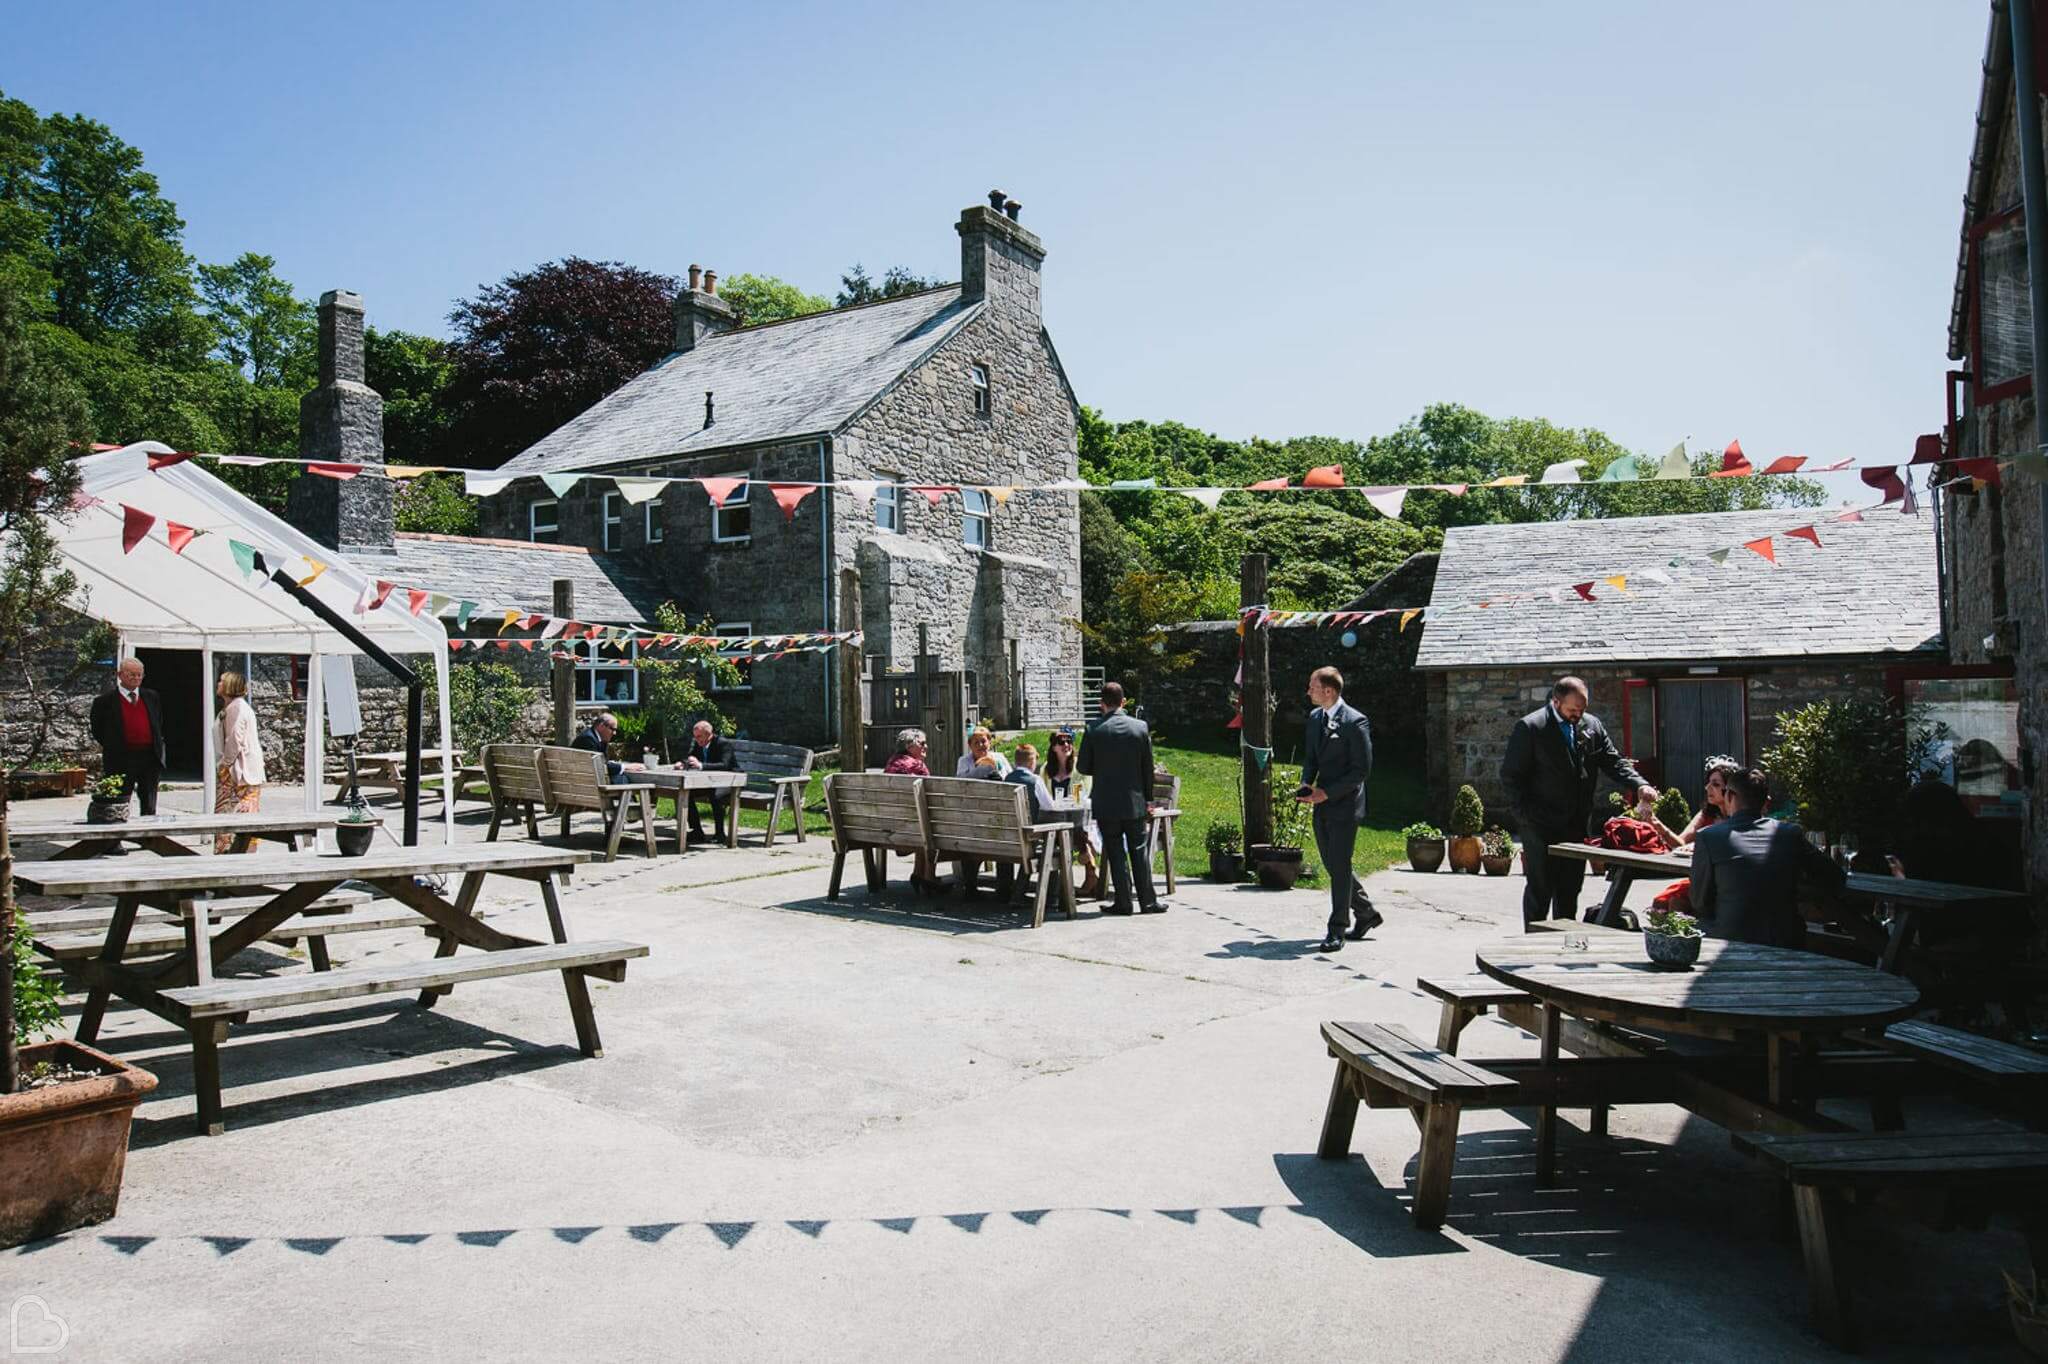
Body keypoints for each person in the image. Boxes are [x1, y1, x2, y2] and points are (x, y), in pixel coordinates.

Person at [1501, 676, 1656, 929]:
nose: (1578, 715)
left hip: (1575, 823)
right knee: (1540, 888)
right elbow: (1511, 777)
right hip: (1539, 824)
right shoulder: (1531, 727)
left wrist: (1640, 784)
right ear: (1556, 701)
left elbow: (1613, 761)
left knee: (1570, 888)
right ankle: (1533, 946)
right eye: (1573, 710)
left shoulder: (1591, 725)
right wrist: (1525, 816)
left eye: (1582, 709)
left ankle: (1565, 941)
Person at [1689, 765, 1843, 946]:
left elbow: (1699, 902)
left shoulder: (1708, 837)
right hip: (1785, 939)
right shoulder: (1789, 833)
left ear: (1729, 796)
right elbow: (1835, 876)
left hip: (1730, 938)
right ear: (1765, 802)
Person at [1298, 666, 1380, 953]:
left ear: (1328, 691)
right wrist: (1306, 784)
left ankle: (1337, 929)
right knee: (1334, 865)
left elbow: (1361, 771)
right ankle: (1367, 912)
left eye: (1312, 686)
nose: (1308, 691)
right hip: (1321, 802)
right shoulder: (1314, 718)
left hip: (1345, 804)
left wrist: (1327, 793)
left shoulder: (1355, 722)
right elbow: (1311, 758)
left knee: (1340, 864)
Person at [1077, 680, 1165, 916]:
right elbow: (1148, 769)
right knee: (1139, 850)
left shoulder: (1093, 729)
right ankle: (1148, 901)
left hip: (1106, 801)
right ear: (1123, 702)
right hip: (1134, 801)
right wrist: (1148, 799)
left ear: (1101, 704)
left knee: (1115, 852)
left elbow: (1083, 766)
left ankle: (1123, 902)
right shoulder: (1140, 728)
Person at [90, 657, 165, 816]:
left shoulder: (152, 697)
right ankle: (116, 838)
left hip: (149, 757)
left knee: (149, 802)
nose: (136, 678)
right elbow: (98, 730)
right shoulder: (104, 702)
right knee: (118, 801)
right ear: (120, 675)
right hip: (121, 757)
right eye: (131, 675)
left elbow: (157, 723)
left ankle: (148, 836)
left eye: (139, 675)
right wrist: (114, 745)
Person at [1042, 729, 1102, 898]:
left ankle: (1089, 870)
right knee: (1075, 829)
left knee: (1077, 826)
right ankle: (1090, 870)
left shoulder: (1079, 767)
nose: (1066, 745)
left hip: (1081, 816)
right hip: (1055, 818)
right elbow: (1044, 794)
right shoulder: (1047, 769)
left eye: (1069, 741)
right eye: (1061, 742)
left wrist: (1070, 801)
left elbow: (1084, 793)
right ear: (1053, 747)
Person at [883, 728, 943, 895]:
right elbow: (930, 799)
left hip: (890, 827)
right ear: (909, 747)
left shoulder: (891, 763)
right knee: (931, 827)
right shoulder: (917, 766)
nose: (926, 746)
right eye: (922, 743)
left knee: (922, 824)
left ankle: (918, 874)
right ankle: (929, 877)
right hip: (909, 830)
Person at [211, 671, 265, 852]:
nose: (218, 684)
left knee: (232, 814)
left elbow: (235, 738)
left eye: (221, 682)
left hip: (238, 773)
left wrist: (225, 765)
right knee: (243, 813)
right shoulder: (234, 707)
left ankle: (231, 851)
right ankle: (240, 849)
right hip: (242, 771)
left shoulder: (236, 708)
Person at [1644, 755, 1741, 849]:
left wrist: (1699, 846)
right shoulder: (1705, 814)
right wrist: (1656, 823)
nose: (1707, 787)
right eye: (1708, 783)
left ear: (1730, 790)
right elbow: (1680, 843)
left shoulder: (1742, 817)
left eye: (1715, 784)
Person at [680, 719, 737, 844]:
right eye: (695, 736)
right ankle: (697, 831)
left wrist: (701, 765)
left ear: (708, 734)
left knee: (714, 795)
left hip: (730, 782)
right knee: (686, 794)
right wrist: (683, 763)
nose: (696, 739)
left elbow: (725, 765)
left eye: (699, 736)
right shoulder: (698, 743)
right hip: (709, 782)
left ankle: (720, 833)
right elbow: (691, 756)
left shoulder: (723, 743)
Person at [571, 711, 643, 783]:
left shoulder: (597, 738)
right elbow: (600, 767)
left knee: (622, 779)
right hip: (589, 783)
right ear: (602, 726)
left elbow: (603, 763)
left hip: (587, 781)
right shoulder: (588, 740)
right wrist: (625, 766)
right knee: (623, 780)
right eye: (612, 729)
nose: (614, 733)